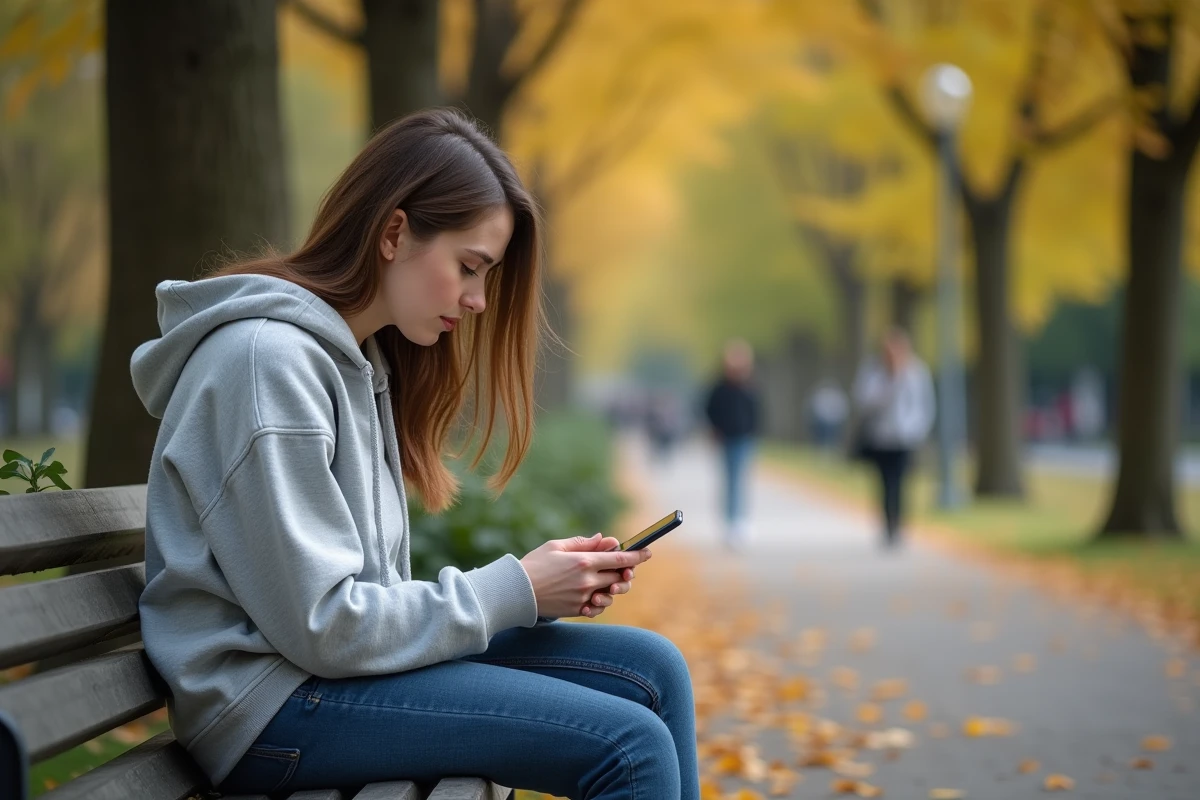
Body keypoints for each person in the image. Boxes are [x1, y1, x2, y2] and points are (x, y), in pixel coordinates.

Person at [130, 109, 699, 800]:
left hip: (326, 678)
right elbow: (327, 629)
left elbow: (351, 617)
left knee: (654, 670)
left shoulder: (356, 362)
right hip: (270, 709)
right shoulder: (266, 365)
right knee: (629, 746)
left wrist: (541, 589)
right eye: (469, 267)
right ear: (394, 233)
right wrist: (517, 589)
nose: (480, 300)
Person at [852, 328, 936, 548]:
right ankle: (887, 523)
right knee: (883, 482)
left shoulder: (917, 372)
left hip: (904, 438)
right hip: (880, 438)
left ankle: (897, 525)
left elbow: (924, 406)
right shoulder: (874, 371)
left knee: (900, 482)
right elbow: (864, 400)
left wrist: (916, 430)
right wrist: (889, 384)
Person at [703, 339, 761, 551]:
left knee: (740, 480)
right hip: (726, 439)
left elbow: (756, 412)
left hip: (744, 439)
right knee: (730, 480)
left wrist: (753, 432)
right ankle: (731, 522)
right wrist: (715, 429)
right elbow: (710, 409)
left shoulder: (749, 387)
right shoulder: (719, 388)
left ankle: (739, 521)